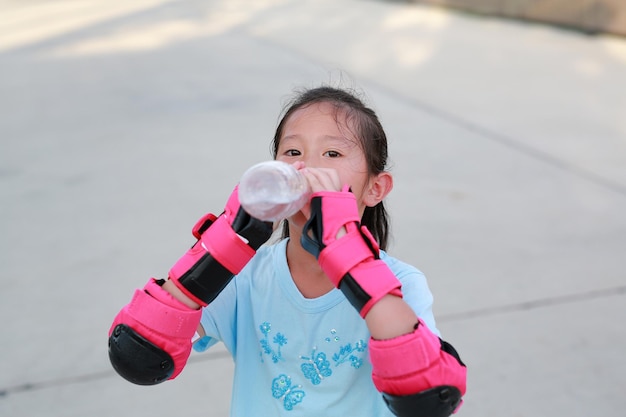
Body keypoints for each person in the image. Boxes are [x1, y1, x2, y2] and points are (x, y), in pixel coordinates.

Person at [108, 85, 467, 416]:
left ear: (375, 188)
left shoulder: (402, 283)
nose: (307, 167)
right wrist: (224, 244)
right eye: (293, 152)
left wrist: (351, 260)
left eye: (332, 152)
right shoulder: (245, 277)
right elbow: (140, 355)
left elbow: (427, 396)